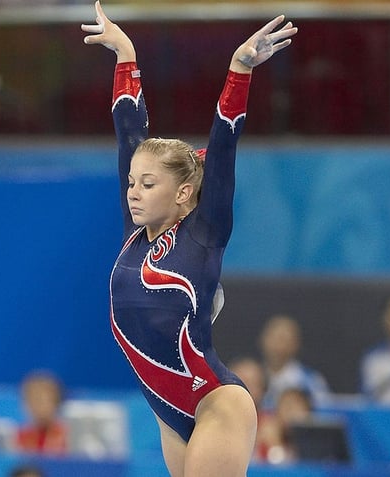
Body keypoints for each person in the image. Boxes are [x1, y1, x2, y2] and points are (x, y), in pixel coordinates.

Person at [82, 3, 297, 476]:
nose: (133, 192)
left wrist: (239, 70)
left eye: (148, 184)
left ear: (183, 193)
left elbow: (223, 145)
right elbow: (128, 136)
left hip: (214, 403)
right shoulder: (132, 235)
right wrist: (125, 56)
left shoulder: (206, 230)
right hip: (168, 413)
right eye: (131, 183)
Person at [259, 314, 331, 412]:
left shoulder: (311, 381)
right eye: (275, 338)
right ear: (263, 340)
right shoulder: (253, 377)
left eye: (284, 339)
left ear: (296, 344)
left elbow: (323, 415)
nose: (278, 345)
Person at [15, 371, 68, 455]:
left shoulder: (67, 437)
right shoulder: (18, 438)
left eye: (42, 401)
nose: (38, 407)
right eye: (33, 400)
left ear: (56, 402)